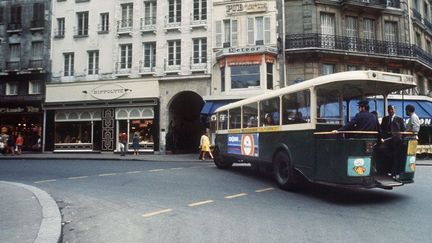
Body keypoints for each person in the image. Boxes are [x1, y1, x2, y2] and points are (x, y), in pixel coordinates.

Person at [378, 105, 405, 176]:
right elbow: (381, 129)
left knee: (395, 157)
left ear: (395, 110)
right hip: (387, 141)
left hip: (396, 142)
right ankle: (386, 171)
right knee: (384, 154)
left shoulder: (399, 119)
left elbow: (403, 130)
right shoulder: (385, 119)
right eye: (389, 109)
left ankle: (394, 172)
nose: (390, 111)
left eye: (392, 109)